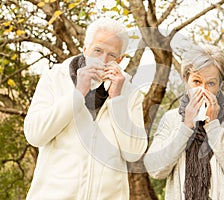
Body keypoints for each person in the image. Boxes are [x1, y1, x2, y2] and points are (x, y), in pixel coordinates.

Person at [24, 18, 148, 199]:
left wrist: (117, 99)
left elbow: (134, 153)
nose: (103, 60)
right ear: (85, 49)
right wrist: (77, 94)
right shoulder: (54, 78)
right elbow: (35, 135)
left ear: (120, 59)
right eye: (97, 50)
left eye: (112, 55)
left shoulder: (130, 92)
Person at [144, 44, 224, 200]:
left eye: (210, 83)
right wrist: (185, 127)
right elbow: (155, 170)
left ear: (220, 84)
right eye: (196, 82)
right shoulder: (171, 119)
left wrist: (213, 126)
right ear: (186, 80)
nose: (203, 90)